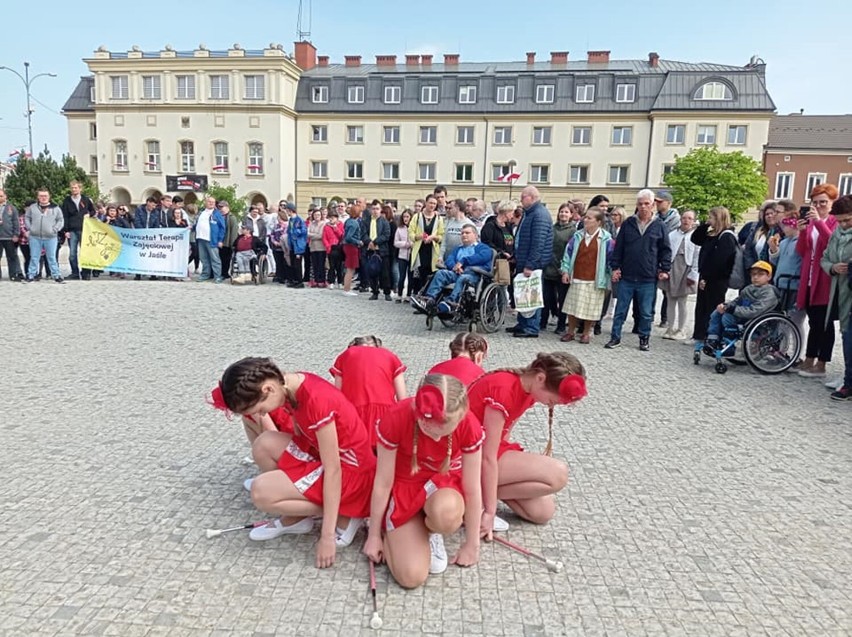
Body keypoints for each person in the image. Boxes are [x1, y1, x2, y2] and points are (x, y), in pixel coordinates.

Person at [218, 358, 375, 566]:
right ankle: (298, 517)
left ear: (268, 388)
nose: (262, 414)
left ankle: (346, 511)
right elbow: (301, 437)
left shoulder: (316, 400)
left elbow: (334, 469)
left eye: (259, 408)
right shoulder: (292, 385)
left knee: (261, 492)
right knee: (263, 445)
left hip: (352, 472)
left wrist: (326, 537)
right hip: (325, 456)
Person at [364, 374, 483, 587]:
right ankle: (391, 529)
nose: (434, 431)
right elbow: (383, 481)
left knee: (447, 515)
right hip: (403, 488)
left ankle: (431, 531)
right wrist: (373, 535)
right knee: (411, 577)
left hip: (442, 487)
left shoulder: (469, 425)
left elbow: (473, 488)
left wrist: (472, 544)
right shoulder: (397, 416)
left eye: (444, 424)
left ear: (462, 414)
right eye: (427, 423)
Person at [468, 352, 587, 535]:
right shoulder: (503, 388)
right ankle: (475, 497)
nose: (550, 406)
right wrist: (491, 512)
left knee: (542, 512)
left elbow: (503, 435)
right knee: (557, 473)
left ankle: (475, 496)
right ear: (540, 378)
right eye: (552, 400)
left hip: (485, 451)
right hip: (467, 457)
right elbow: (487, 456)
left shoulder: (529, 390)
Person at [605, 189, 672, 351]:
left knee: (646, 312)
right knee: (621, 310)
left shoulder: (659, 226)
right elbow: (619, 248)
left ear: (653, 205)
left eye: (646, 204)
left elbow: (666, 250)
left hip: (648, 277)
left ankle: (644, 338)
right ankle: (615, 337)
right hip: (627, 275)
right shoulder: (628, 224)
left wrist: (665, 268)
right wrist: (615, 268)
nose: (643, 207)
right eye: (640, 204)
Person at [330, 335, 407, 447]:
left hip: (354, 417)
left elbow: (337, 398)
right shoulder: (390, 357)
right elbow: (403, 400)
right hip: (385, 418)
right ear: (377, 346)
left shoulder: (346, 356)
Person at [797, 184, 839, 379]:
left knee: (825, 322)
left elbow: (833, 243)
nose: (819, 206)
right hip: (810, 276)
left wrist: (820, 223)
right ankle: (809, 357)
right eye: (816, 202)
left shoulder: (834, 222)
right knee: (814, 321)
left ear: (832, 203)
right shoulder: (812, 222)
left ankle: (822, 362)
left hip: (826, 278)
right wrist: (803, 231)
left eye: (823, 202)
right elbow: (802, 251)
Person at [560, 208, 614, 344]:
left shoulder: (606, 239)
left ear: (598, 222)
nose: (585, 220)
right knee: (572, 307)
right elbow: (568, 254)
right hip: (577, 275)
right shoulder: (577, 236)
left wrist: (611, 273)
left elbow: (611, 259)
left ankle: (586, 333)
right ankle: (570, 332)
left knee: (591, 308)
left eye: (589, 218)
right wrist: (565, 271)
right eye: (585, 217)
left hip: (595, 279)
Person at [413, 224, 492, 314]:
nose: (464, 235)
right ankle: (429, 299)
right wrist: (455, 267)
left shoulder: (483, 248)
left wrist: (463, 262)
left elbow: (482, 257)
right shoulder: (458, 248)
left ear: (475, 235)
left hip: (474, 275)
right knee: (440, 273)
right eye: (462, 233)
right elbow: (449, 259)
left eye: (467, 233)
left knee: (463, 278)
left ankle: (451, 303)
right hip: (457, 273)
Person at [703, 260, 779, 353]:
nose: (756, 277)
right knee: (717, 312)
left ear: (769, 276)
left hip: (756, 321)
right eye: (753, 274)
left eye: (760, 274)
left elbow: (755, 311)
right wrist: (726, 305)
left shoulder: (769, 293)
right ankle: (713, 339)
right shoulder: (748, 288)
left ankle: (728, 346)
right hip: (744, 315)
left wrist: (733, 310)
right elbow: (737, 301)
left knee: (727, 317)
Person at [507, 187, 553, 338]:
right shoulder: (529, 213)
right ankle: (523, 323)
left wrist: (531, 264)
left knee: (532, 295)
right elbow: (521, 238)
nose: (521, 200)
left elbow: (538, 243)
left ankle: (532, 327)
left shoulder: (539, 215)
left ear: (531, 197)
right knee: (522, 293)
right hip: (524, 259)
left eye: (523, 197)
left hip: (533, 264)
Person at [820, 195, 852, 400]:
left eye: (847, 219)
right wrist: (832, 267)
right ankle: (849, 383)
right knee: (847, 337)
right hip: (841, 292)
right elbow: (825, 258)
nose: (843, 224)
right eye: (840, 220)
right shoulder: (836, 234)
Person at [690, 206, 738, 343]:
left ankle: (711, 335)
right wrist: (705, 225)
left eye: (711, 217)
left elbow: (719, 262)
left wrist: (707, 277)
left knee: (712, 308)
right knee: (701, 307)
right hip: (705, 276)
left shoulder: (726, 237)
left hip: (716, 280)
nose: (709, 219)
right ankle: (699, 334)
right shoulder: (712, 235)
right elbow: (695, 238)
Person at [660, 210, 699, 340]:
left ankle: (681, 329)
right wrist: (664, 269)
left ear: (693, 221)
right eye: (684, 218)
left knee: (682, 301)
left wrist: (694, 273)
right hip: (672, 267)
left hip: (686, 269)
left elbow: (696, 256)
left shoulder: (695, 236)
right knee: (670, 299)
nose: (686, 220)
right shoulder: (672, 235)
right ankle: (670, 327)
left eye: (689, 218)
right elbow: (666, 252)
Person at [541, 204, 575, 335]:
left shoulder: (573, 231)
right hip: (549, 266)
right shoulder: (552, 228)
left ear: (571, 215)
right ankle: (543, 322)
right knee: (546, 298)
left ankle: (561, 325)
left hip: (563, 268)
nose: (563, 214)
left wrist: (566, 268)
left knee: (562, 299)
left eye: (566, 212)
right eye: (562, 211)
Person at [768, 216, 805, 338]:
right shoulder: (783, 242)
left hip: (794, 285)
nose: (783, 229)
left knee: (794, 320)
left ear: (794, 226)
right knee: (781, 318)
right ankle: (780, 347)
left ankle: (796, 350)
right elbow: (775, 262)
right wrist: (773, 250)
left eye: (786, 226)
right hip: (780, 283)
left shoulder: (801, 242)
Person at [23, 188, 65, 284]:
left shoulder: (56, 208)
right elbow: (27, 218)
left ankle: (56, 275)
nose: (43, 198)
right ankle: (31, 275)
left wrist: (55, 229)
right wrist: (30, 228)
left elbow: (60, 220)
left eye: (45, 196)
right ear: (38, 197)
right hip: (35, 236)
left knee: (51, 257)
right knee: (34, 257)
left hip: (51, 237)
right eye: (41, 196)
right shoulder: (32, 208)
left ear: (49, 197)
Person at [408, 194, 445, 294]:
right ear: (426, 203)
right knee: (419, 274)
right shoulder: (417, 216)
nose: (432, 205)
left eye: (434, 204)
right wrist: (419, 236)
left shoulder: (439, 218)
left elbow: (442, 235)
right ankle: (417, 295)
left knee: (431, 275)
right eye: (430, 203)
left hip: (432, 251)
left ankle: (427, 296)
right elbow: (410, 232)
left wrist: (433, 237)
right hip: (420, 250)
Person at [60, 180, 96, 280]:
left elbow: (93, 210)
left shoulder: (86, 199)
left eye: (76, 188)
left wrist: (89, 214)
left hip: (84, 229)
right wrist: (65, 230)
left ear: (80, 189)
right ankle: (75, 272)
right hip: (72, 230)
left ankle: (86, 272)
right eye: (72, 188)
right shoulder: (67, 200)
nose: (74, 189)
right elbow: (65, 216)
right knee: (72, 254)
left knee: (85, 252)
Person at [362, 200, 392, 301]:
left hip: (382, 251)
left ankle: (387, 292)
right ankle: (374, 292)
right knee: (372, 272)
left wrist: (375, 242)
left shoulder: (384, 222)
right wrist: (369, 242)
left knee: (385, 273)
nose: (375, 211)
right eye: (373, 209)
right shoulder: (366, 221)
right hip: (370, 250)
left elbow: (386, 235)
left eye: (377, 209)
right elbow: (363, 234)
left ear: (380, 210)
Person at [194, 196, 226, 283]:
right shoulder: (201, 213)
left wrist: (220, 240)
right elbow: (197, 223)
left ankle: (217, 276)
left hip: (212, 240)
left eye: (213, 202)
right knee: (204, 259)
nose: (211, 203)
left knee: (215, 259)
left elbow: (222, 228)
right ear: (205, 202)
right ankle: (205, 274)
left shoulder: (217, 214)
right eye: (209, 201)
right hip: (201, 238)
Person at [0, 189, 22, 281]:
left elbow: (16, 222)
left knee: (12, 257)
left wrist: (16, 234)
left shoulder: (11, 208)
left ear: (5, 197)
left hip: (9, 236)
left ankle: (13, 274)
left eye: (1, 196)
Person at [342, 204, 362, 296]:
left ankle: (346, 288)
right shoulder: (354, 223)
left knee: (350, 268)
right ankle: (347, 289)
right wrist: (358, 241)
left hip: (347, 246)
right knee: (350, 268)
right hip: (351, 247)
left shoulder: (348, 221)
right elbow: (349, 237)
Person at [393, 210, 413, 302]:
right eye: (404, 217)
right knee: (402, 276)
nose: (405, 219)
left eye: (407, 217)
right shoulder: (400, 229)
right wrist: (405, 244)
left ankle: (409, 295)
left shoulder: (414, 228)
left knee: (411, 276)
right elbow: (396, 243)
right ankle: (399, 294)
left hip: (412, 255)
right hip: (402, 256)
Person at [285, 203, 306, 288]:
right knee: (293, 264)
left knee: (298, 265)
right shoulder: (290, 220)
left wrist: (295, 232)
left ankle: (300, 281)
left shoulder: (299, 220)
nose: (287, 212)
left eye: (287, 210)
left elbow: (304, 231)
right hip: (292, 245)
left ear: (291, 210)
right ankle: (294, 280)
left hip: (298, 245)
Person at [268, 206, 290, 285]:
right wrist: (274, 241)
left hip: (284, 247)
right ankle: (279, 276)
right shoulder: (276, 226)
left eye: (279, 217)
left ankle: (286, 277)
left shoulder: (287, 225)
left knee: (285, 262)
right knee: (278, 262)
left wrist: (281, 243)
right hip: (276, 247)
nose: (278, 219)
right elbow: (272, 234)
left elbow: (286, 235)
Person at [307, 209, 327, 287]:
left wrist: (312, 235)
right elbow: (307, 233)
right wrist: (315, 235)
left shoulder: (324, 224)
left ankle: (321, 280)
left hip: (321, 247)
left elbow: (321, 235)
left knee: (321, 265)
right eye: (315, 215)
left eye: (318, 215)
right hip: (313, 247)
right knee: (314, 264)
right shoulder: (311, 224)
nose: (317, 216)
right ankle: (316, 280)